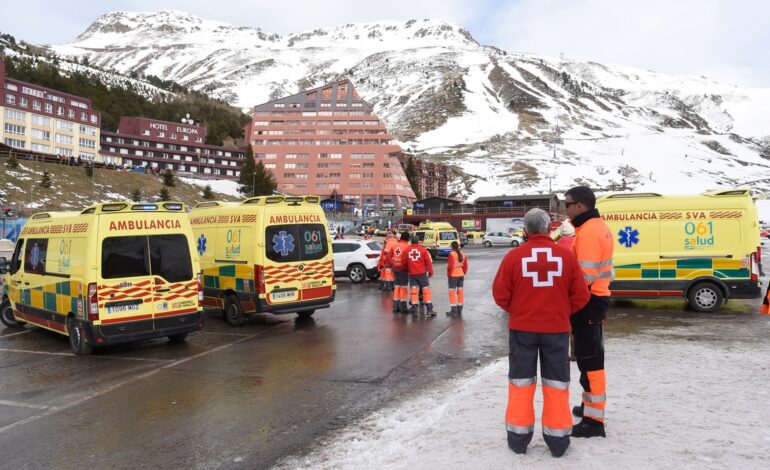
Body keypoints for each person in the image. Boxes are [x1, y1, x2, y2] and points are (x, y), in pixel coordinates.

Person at [493, 208, 590, 457]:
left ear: (525, 231)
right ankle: (558, 442)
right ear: (549, 229)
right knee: (557, 384)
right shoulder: (566, 257)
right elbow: (581, 295)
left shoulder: (514, 257)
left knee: (520, 384)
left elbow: (500, 295)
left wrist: (520, 311)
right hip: (556, 331)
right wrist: (561, 312)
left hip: (522, 331)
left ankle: (518, 439)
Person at [564, 185, 614, 438]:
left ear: (580, 206)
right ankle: (588, 407)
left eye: (567, 204)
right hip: (594, 300)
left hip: (589, 302)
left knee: (590, 360)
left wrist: (566, 301)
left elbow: (584, 277)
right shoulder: (593, 227)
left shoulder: (590, 232)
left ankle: (594, 422)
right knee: (588, 358)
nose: (566, 210)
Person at [401, 235, 436, 316]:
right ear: (418, 241)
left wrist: (407, 269)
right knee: (426, 292)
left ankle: (414, 310)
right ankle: (429, 309)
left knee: (414, 292)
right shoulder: (423, 250)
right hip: (422, 274)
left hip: (412, 275)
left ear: (411, 242)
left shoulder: (406, 250)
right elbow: (428, 262)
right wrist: (430, 272)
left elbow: (403, 263)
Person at [390, 232, 411, 313]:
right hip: (403, 269)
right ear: (408, 239)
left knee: (396, 287)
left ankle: (395, 306)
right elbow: (409, 260)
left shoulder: (394, 245)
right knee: (403, 288)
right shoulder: (407, 246)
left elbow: (388, 257)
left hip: (395, 269)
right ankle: (403, 307)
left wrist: (393, 264)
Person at [446, 240, 468, 315]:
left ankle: (453, 310)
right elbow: (465, 266)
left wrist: (449, 274)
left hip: (453, 276)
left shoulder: (451, 254)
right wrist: (463, 272)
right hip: (461, 275)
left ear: (452, 247)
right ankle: (459, 308)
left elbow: (450, 266)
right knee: (460, 292)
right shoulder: (462, 254)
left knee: (452, 292)